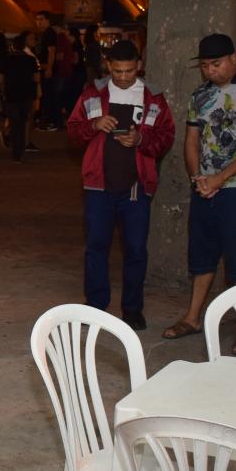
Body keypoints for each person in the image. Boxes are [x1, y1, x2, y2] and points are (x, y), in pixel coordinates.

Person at [162, 34, 236, 341]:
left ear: (233, 58)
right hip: (204, 187)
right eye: (206, 65)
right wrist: (197, 177)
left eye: (217, 63)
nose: (211, 71)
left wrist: (220, 178)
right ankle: (193, 317)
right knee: (201, 255)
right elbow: (191, 140)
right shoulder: (200, 95)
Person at [67, 40, 175, 330]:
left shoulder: (153, 98)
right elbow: (73, 132)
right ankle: (96, 307)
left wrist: (142, 140)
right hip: (98, 185)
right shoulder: (93, 94)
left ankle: (132, 309)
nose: (124, 77)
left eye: (129, 71)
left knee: (136, 250)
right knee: (96, 247)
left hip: (136, 186)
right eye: (118, 71)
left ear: (138, 66)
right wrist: (93, 125)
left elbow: (167, 136)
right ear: (108, 66)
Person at [0, 31, 40, 161]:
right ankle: (20, 150)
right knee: (22, 124)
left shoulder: (7, 59)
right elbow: (36, 78)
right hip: (26, 95)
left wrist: (3, 92)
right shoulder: (30, 60)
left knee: (14, 123)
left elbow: (1, 79)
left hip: (11, 95)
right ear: (23, 46)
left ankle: (15, 150)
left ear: (13, 46)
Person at [34, 11, 60, 130]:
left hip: (47, 69)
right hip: (44, 68)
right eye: (37, 19)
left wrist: (49, 68)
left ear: (47, 20)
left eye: (41, 19)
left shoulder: (49, 33)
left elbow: (52, 51)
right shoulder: (44, 33)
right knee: (47, 95)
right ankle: (50, 121)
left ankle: (53, 122)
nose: (39, 22)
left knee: (49, 96)